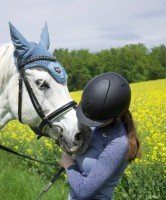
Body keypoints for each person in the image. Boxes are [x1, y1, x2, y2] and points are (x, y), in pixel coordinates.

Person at [59, 72, 141, 200]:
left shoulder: (118, 143)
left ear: (116, 114)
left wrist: (68, 165)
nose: (90, 124)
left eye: (96, 121)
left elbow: (84, 191)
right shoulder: (96, 121)